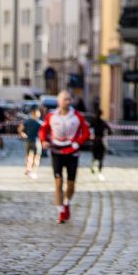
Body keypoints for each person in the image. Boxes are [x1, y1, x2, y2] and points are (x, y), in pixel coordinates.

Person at [39, 90, 91, 223]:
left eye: (69, 99)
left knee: (71, 184)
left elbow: (86, 133)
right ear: (59, 101)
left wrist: (78, 143)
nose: (67, 102)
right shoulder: (51, 116)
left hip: (72, 152)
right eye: (64, 99)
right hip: (56, 151)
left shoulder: (77, 116)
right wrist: (44, 141)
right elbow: (43, 130)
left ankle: (67, 202)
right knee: (58, 181)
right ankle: (60, 211)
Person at [19, 106, 43, 178]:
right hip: (36, 141)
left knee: (28, 156)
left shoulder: (27, 121)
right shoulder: (39, 123)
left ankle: (28, 169)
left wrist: (23, 134)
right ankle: (33, 171)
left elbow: (20, 129)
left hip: (28, 140)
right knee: (36, 157)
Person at [90, 110, 111, 176]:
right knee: (101, 156)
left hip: (95, 140)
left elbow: (88, 129)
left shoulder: (93, 122)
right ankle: (99, 168)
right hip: (101, 141)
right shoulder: (103, 122)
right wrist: (106, 134)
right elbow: (110, 131)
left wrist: (91, 137)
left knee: (94, 156)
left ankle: (92, 167)